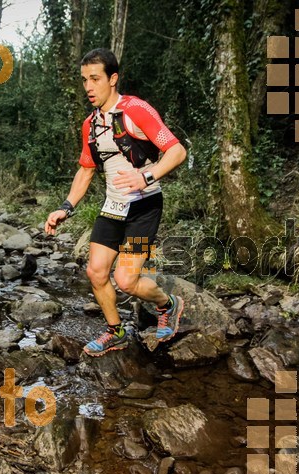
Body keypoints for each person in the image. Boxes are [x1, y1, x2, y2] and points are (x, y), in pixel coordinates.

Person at [44, 48, 188, 357]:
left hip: (144, 207)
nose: (89, 87)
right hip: (113, 208)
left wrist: (147, 176)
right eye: (84, 80)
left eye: (95, 79)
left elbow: (176, 151)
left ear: (113, 78)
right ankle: (116, 331)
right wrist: (65, 208)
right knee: (96, 273)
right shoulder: (90, 125)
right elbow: (86, 170)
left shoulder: (135, 110)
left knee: (126, 280)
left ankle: (168, 304)